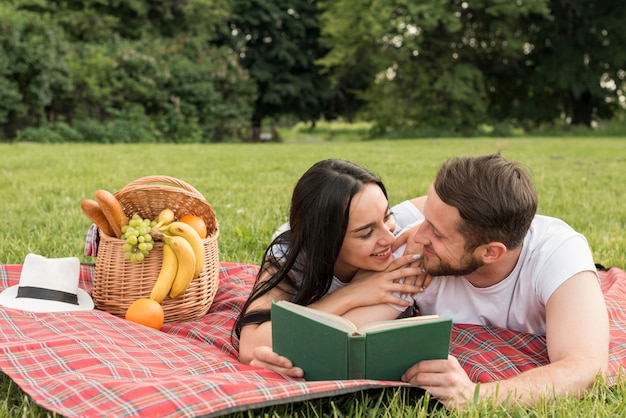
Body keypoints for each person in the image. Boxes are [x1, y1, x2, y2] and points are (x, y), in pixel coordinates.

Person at [345, 153, 609, 408]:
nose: (419, 235)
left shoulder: (557, 253)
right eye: (425, 219)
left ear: (490, 252)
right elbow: (346, 333)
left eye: (437, 232)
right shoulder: (418, 250)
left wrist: (477, 396)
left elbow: (585, 368)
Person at [234, 159, 428, 376]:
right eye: (366, 233)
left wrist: (427, 226)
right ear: (327, 241)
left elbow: (459, 200)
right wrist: (350, 294)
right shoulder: (290, 258)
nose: (389, 238)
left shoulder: (399, 227)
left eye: (386, 215)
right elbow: (251, 346)